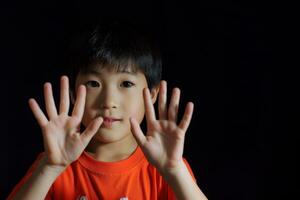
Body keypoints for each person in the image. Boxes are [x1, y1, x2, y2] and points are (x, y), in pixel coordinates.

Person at [7, 19, 207, 200]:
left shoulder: (166, 167)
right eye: (94, 83)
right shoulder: (53, 161)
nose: (109, 101)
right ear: (74, 93)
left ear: (152, 94)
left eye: (126, 84)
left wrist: (174, 170)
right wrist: (50, 168)